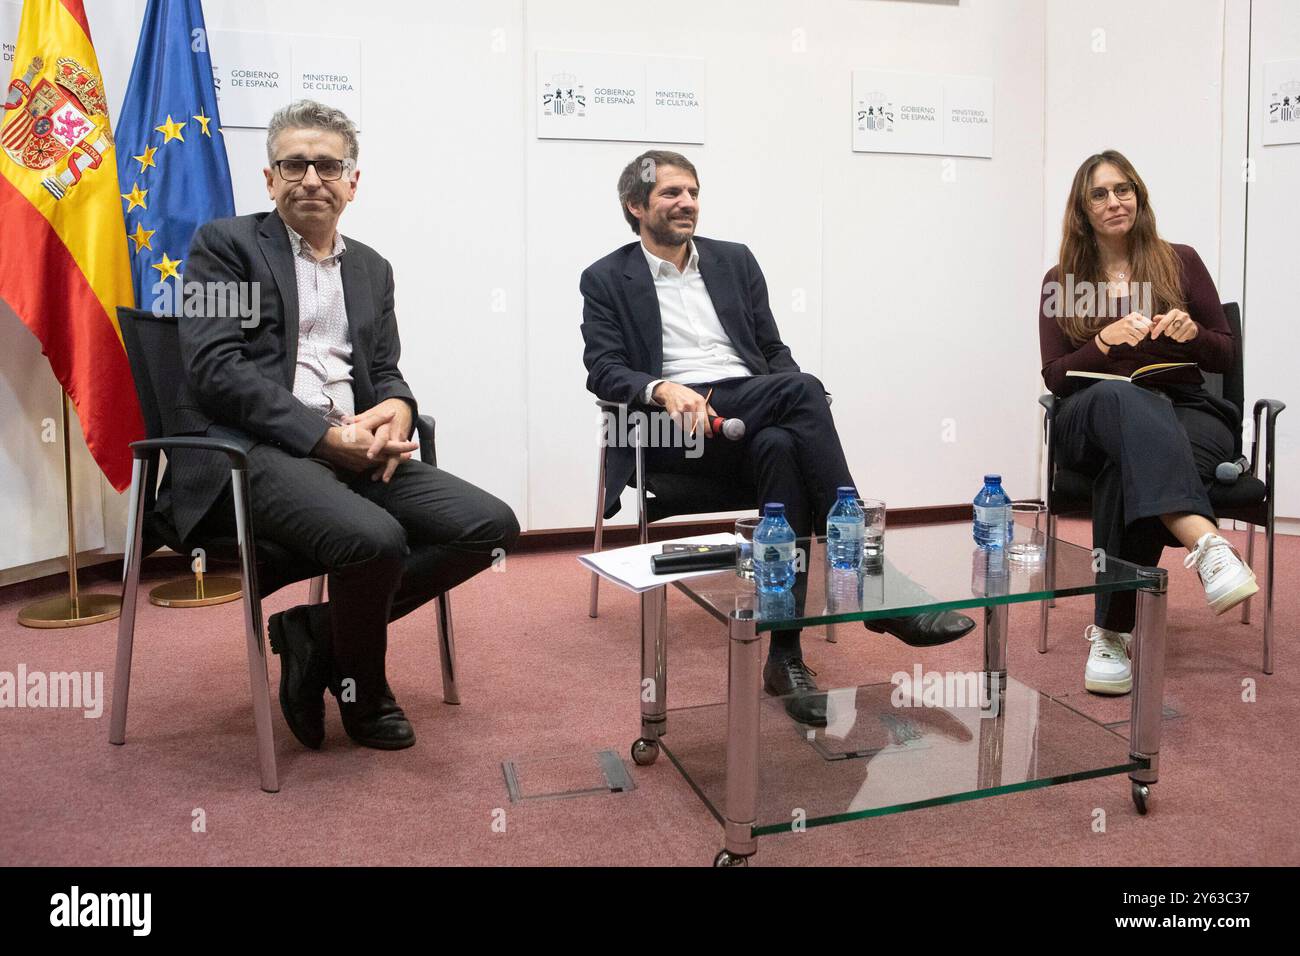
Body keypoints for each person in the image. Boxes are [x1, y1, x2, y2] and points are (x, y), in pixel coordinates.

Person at [168, 101, 519, 749]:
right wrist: (324, 437)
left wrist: (399, 408)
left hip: (354, 447)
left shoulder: (370, 268)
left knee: (491, 528)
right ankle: (364, 688)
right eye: (293, 164)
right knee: (376, 539)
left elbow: (385, 370)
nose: (311, 178)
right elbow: (215, 371)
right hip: (254, 451)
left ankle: (319, 636)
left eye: (328, 165)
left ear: (352, 182)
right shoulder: (225, 246)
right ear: (269, 179)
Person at [581, 150, 974, 726]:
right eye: (670, 194)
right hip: (677, 430)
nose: (686, 202)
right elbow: (603, 370)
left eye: (692, 191)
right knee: (801, 392)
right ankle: (869, 573)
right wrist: (663, 388)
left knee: (784, 445)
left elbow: (770, 351)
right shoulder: (606, 278)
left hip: (751, 416)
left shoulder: (735, 261)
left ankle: (785, 656)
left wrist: (790, 393)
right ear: (635, 207)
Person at [1039, 149, 1257, 696]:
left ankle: (1111, 633)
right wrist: (1102, 343)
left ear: (1138, 195)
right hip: (1094, 412)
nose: (1114, 202)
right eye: (1099, 193)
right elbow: (1055, 376)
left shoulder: (1179, 260)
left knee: (1126, 470)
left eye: (1123, 189)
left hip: (1187, 411)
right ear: (1082, 210)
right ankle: (1207, 546)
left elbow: (1223, 356)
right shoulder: (1060, 279)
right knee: (1128, 406)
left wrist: (1194, 335)